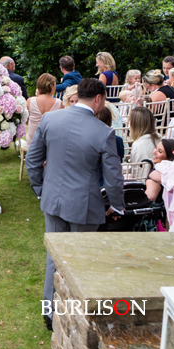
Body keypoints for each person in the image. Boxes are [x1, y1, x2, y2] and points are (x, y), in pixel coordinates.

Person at [27, 78, 124, 330]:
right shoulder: (104, 132)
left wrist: (41, 190)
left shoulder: (50, 119)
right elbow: (113, 177)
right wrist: (117, 205)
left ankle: (50, 313)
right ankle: (72, 314)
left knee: (54, 257)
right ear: (99, 99)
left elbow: (32, 160)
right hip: (84, 205)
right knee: (80, 260)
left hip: (53, 200)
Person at [25, 73, 62, 146]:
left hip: (33, 141)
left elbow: (26, 120)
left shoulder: (30, 101)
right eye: (55, 85)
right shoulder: (59, 103)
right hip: (51, 141)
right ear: (51, 86)